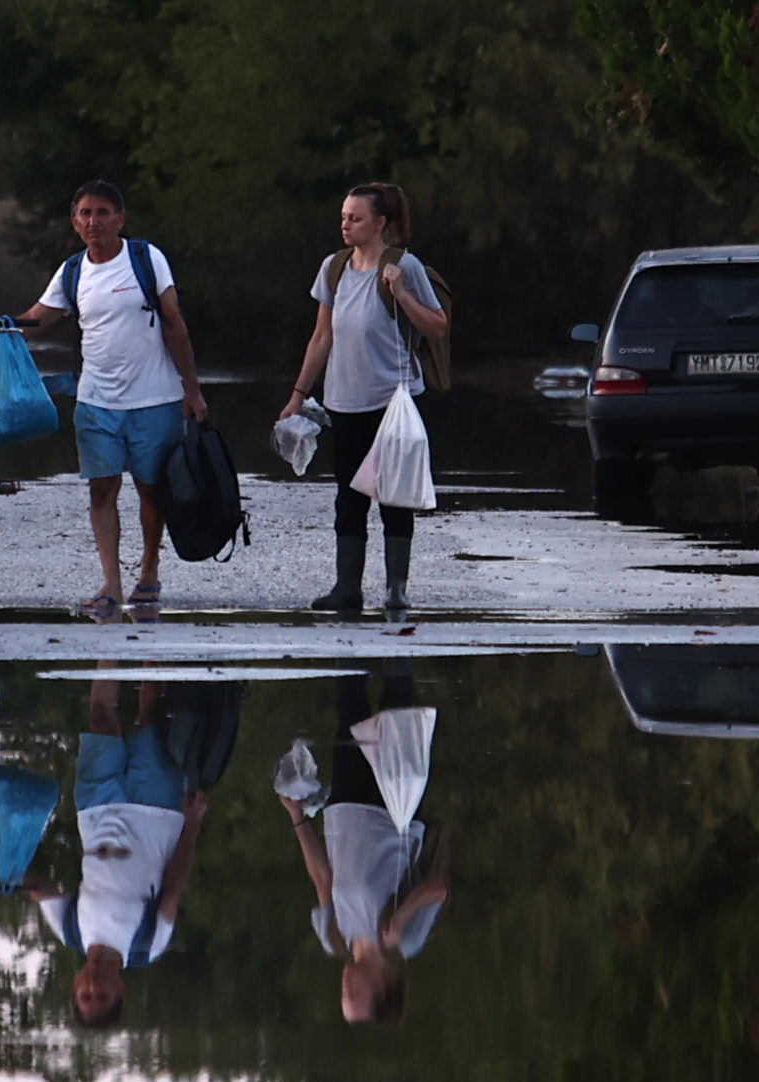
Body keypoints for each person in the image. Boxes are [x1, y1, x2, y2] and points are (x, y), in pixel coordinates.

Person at [17, 181, 207, 623]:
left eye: (102, 212)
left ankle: (149, 571)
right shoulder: (73, 272)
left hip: (155, 398)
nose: (93, 222)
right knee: (101, 489)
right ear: (74, 222)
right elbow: (37, 319)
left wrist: (191, 388)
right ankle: (111, 583)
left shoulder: (145, 259)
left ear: (120, 218)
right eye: (84, 213)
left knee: (152, 491)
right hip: (96, 400)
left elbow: (175, 326)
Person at [278, 183, 448, 614]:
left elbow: (438, 327)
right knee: (348, 495)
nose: (345, 225)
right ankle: (346, 587)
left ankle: (396, 589)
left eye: (355, 218)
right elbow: (321, 337)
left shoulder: (403, 266)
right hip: (344, 400)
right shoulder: (334, 268)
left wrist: (402, 293)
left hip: (393, 402)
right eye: (343, 217)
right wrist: (299, 395)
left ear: (381, 223)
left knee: (394, 494)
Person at [26, 670, 207, 1026]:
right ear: (120, 990)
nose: (94, 986)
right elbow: (173, 888)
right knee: (151, 716)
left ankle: (109, 628)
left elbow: (42, 890)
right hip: (156, 810)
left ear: (75, 985)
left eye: (85, 995)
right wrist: (194, 822)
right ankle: (146, 626)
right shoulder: (147, 945)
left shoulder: (70, 932)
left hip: (96, 810)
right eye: (102, 996)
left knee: (101, 718)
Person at [276, 669, 449, 1025]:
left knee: (349, 701)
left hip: (345, 808)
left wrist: (297, 817)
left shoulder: (334, 940)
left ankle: (346, 618)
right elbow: (438, 888)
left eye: (343, 995)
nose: (344, 987)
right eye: (354, 994)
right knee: (396, 700)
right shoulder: (406, 943)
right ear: (383, 989)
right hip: (392, 806)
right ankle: (399, 623)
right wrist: (400, 918)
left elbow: (322, 877)